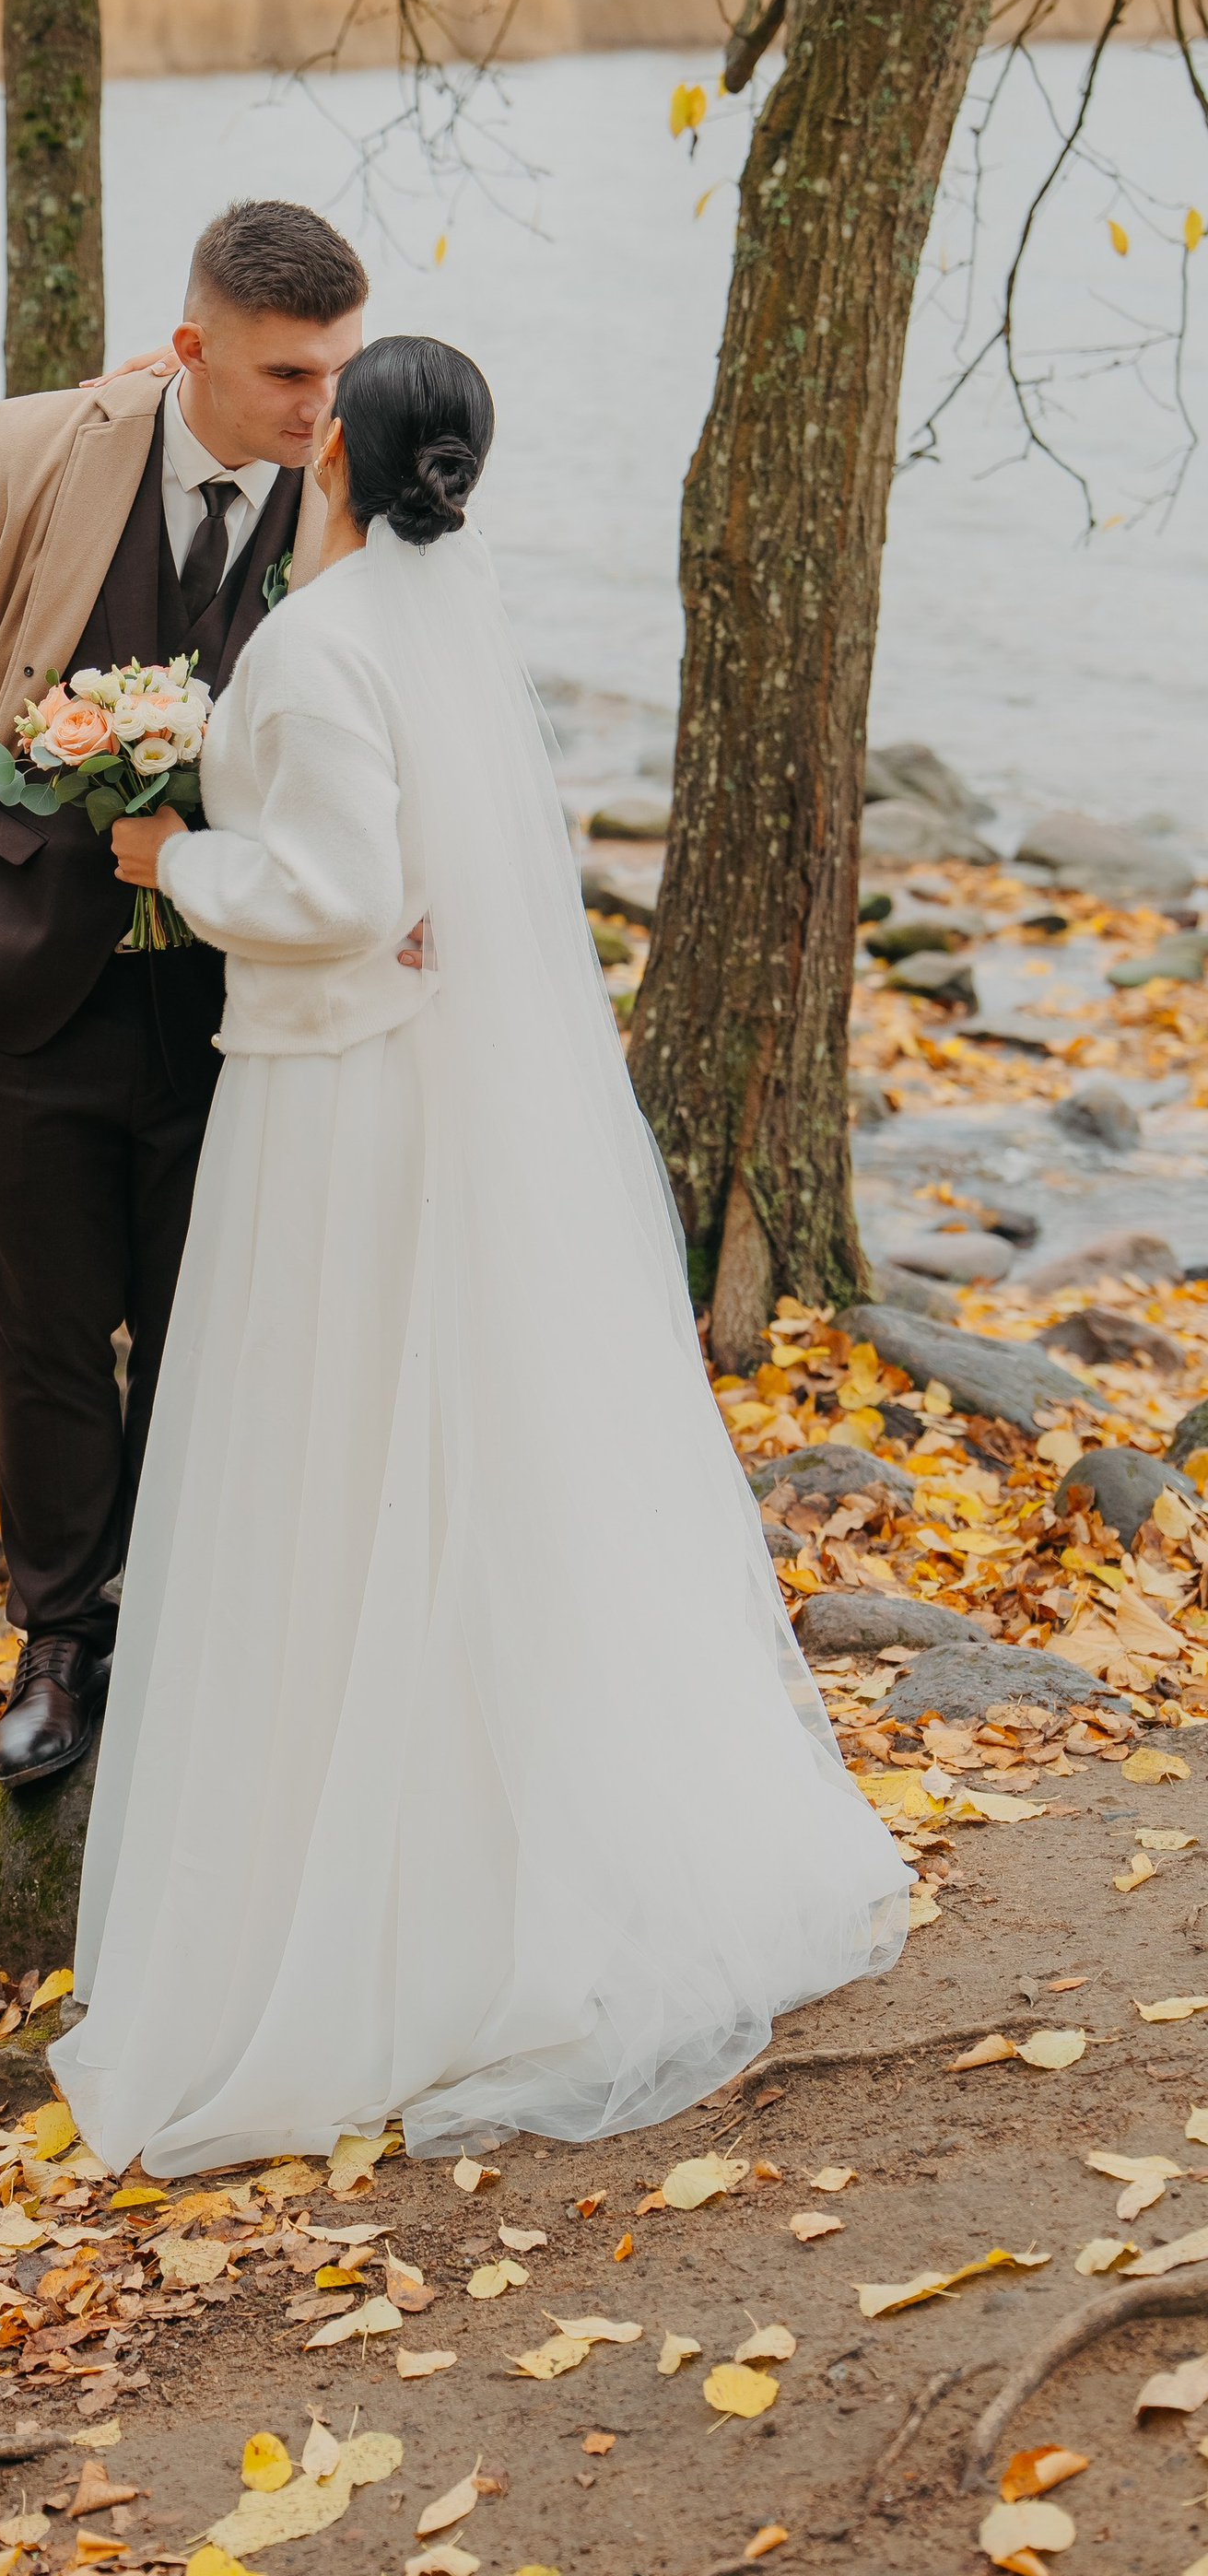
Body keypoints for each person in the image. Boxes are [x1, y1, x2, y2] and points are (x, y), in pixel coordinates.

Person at [47, 335, 909, 2172]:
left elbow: (344, 893)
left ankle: (356, 1910)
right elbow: (430, 875)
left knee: (327, 1440)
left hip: (333, 1097)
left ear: (339, 464)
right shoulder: (440, 622)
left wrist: (167, 866)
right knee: (431, 1446)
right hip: (412, 1074)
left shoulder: (315, 638)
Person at [0, 200, 374, 1788]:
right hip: (13, 989)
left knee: (207, 1331)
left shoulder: (349, 501)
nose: (321, 411)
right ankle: (58, 1633)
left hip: (235, 1011)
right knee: (44, 1335)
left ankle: (181, 1623)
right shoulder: (24, 452)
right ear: (190, 351)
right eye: (284, 377)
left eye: (336, 371)